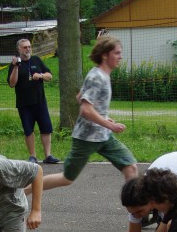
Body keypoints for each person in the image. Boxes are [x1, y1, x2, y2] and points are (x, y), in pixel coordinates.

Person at [35, 35, 138, 193]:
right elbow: (85, 109)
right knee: (66, 178)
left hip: (103, 136)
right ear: (105, 55)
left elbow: (80, 98)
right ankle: (24, 191)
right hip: (86, 138)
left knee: (130, 167)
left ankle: (137, 212)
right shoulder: (96, 77)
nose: (120, 56)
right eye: (117, 53)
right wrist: (109, 124)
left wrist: (103, 117)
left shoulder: (102, 75)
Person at [8, 39, 60, 165]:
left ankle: (48, 155)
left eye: (29, 47)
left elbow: (50, 76)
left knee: (46, 128)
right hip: (24, 104)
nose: (28, 49)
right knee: (28, 130)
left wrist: (41, 75)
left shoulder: (36, 60)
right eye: (25, 47)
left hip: (40, 102)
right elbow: (12, 83)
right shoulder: (15, 64)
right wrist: (15, 67)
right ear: (19, 49)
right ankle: (33, 156)